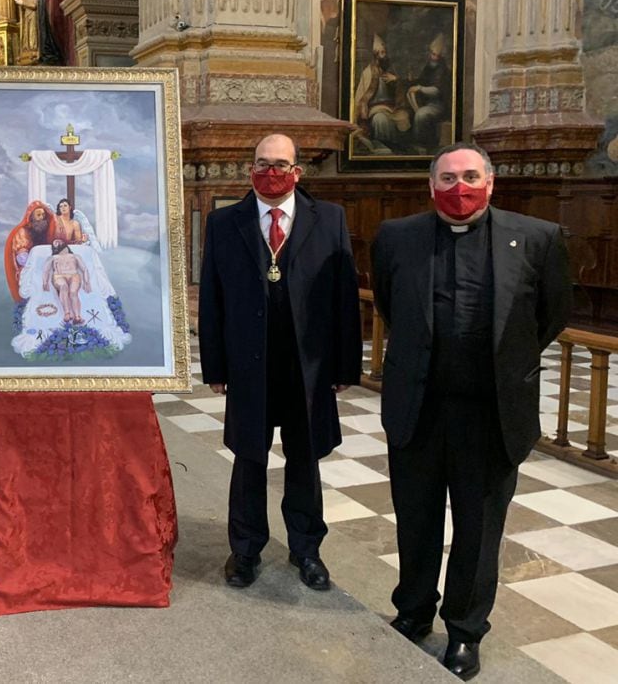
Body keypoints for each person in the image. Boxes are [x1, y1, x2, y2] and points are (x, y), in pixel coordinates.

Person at [371, 143, 572, 681]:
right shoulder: (397, 237)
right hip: (419, 404)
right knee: (415, 518)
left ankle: (464, 631)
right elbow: (391, 306)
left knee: (479, 530)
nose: (458, 189)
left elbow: (549, 315)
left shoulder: (537, 237)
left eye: (469, 176)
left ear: (491, 180)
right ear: (430, 186)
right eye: (447, 178)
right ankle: (413, 610)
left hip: (492, 413)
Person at [199, 133, 362, 593]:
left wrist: (345, 365)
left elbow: (343, 297)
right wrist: (215, 366)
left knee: (305, 456)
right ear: (249, 167)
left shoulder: (327, 218)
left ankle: (307, 548)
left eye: (281, 164)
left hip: (307, 364)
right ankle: (245, 548)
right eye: (262, 163)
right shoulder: (224, 222)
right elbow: (212, 296)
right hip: (250, 362)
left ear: (298, 171)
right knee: (249, 456)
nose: (271, 172)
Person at [355, 34, 412, 154]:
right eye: (381, 53)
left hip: (393, 107)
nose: (383, 55)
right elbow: (362, 97)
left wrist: (396, 80)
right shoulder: (368, 72)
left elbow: (401, 90)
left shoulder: (392, 69)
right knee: (380, 120)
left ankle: (401, 148)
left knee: (404, 117)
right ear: (375, 55)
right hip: (376, 108)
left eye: (384, 52)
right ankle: (385, 146)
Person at [4, 199, 57, 302]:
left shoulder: (44, 232)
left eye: (43, 215)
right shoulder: (23, 232)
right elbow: (22, 258)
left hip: (44, 268)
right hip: (29, 271)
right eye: (38, 215)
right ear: (31, 217)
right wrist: (37, 263)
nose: (41, 218)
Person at [407, 34, 453, 153]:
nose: (433, 57)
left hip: (438, 105)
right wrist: (413, 81)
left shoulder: (443, 70)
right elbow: (422, 81)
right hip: (427, 102)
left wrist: (420, 88)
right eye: (432, 54)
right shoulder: (429, 67)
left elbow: (437, 90)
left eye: (436, 55)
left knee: (421, 115)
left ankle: (421, 145)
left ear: (440, 56)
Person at [42, 240, 91, 324]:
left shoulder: (75, 256)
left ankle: (77, 316)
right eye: (55, 242)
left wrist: (87, 282)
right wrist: (45, 282)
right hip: (59, 276)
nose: (58, 242)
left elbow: (84, 269)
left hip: (74, 275)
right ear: (54, 247)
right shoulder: (53, 257)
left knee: (73, 292)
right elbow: (45, 271)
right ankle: (67, 313)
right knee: (63, 287)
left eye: (60, 241)